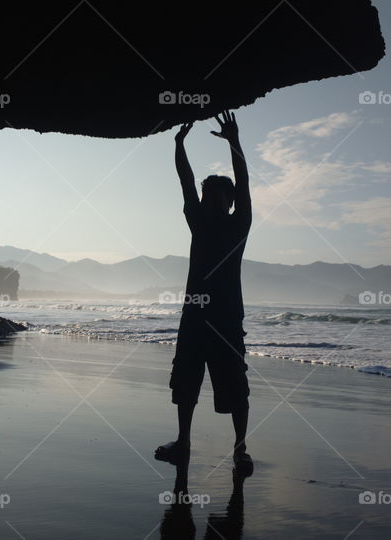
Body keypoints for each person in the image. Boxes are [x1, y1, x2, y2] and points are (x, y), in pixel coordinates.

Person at [155, 109, 253, 475]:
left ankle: (240, 450)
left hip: (226, 320)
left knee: (235, 385)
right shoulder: (198, 222)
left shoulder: (238, 225)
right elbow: (185, 180)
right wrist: (179, 145)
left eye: (215, 195)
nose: (208, 198)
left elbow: (243, 184)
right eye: (206, 194)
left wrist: (235, 143)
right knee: (185, 381)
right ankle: (184, 442)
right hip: (195, 317)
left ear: (228, 202)